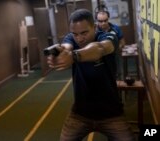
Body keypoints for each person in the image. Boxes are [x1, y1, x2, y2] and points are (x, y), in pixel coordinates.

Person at [46, 9, 135, 141]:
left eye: (84, 33)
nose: (79, 38)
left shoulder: (108, 36)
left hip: (111, 113)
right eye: (75, 34)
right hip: (80, 113)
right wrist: (58, 54)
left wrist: (74, 56)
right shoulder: (72, 38)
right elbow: (66, 46)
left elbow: (99, 48)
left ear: (94, 27)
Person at [96, 10, 126, 79]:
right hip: (101, 60)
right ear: (97, 20)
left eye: (105, 20)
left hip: (115, 57)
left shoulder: (116, 29)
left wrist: (117, 48)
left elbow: (123, 42)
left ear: (108, 19)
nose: (103, 23)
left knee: (119, 76)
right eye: (100, 21)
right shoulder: (94, 31)